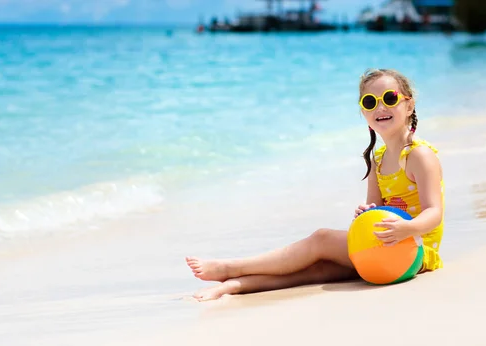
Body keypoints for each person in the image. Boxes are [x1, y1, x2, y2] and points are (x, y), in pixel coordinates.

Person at [185, 68, 445, 301]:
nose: (380, 108)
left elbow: (434, 212)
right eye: (370, 102)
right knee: (319, 270)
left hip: (416, 250)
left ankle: (232, 266)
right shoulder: (377, 159)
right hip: (388, 246)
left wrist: (407, 228)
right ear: (363, 111)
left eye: (390, 99)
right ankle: (234, 285)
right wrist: (366, 213)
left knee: (321, 239)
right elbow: (378, 208)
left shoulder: (418, 155)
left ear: (409, 106)